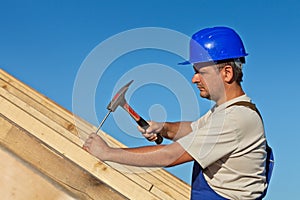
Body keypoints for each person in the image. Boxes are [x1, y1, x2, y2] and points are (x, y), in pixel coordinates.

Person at [83, 26, 271, 199]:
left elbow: (169, 156)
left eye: (200, 72)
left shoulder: (235, 119)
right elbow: (193, 130)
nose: (194, 79)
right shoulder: (225, 112)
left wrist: (107, 153)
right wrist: (163, 128)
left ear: (227, 73)